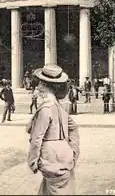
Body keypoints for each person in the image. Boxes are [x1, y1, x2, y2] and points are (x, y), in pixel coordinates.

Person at [27, 64, 80, 195]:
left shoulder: (46, 109)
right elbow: (74, 128)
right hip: (65, 155)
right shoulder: (58, 106)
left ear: (46, 86)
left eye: (41, 83)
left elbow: (36, 138)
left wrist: (33, 161)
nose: (38, 87)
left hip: (50, 158)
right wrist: (74, 150)